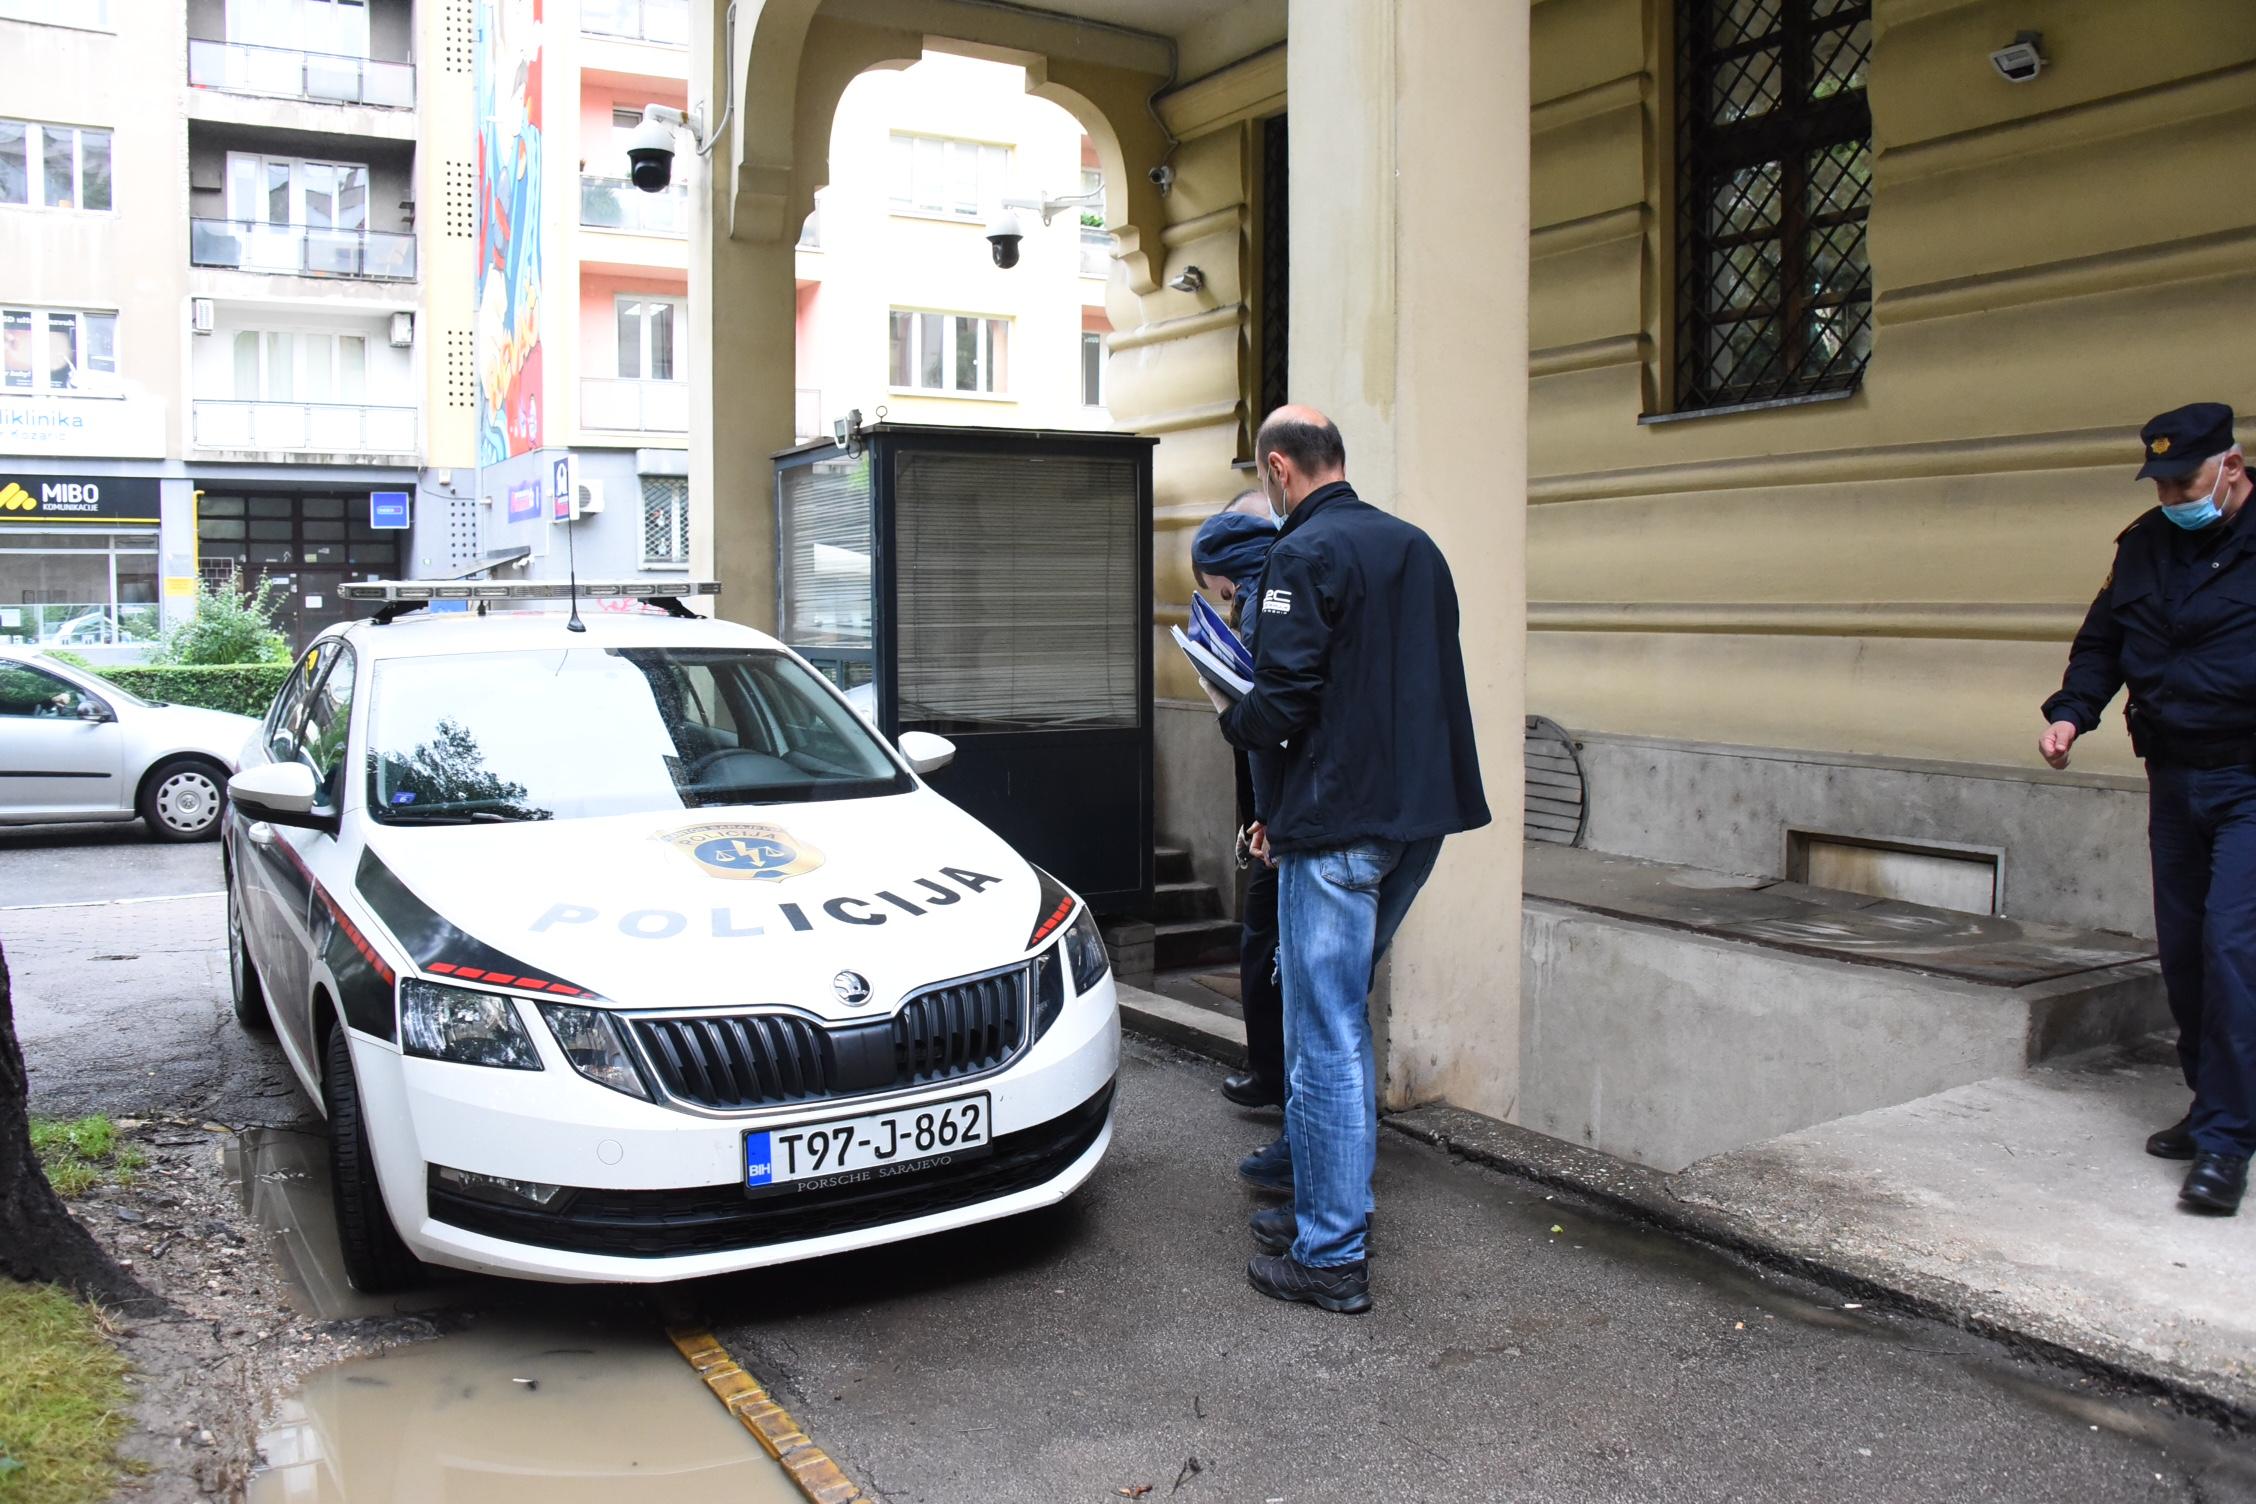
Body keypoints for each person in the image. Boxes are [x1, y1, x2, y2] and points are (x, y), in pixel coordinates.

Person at [1204, 404, 1489, 1313]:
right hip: (1418, 822)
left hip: (1339, 831)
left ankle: (1330, 1254)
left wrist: (1229, 708)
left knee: (1323, 1031)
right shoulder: (1418, 548)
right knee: (1342, 1018)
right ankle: (1333, 1206)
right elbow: (1391, 692)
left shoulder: (1299, 554)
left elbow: (1284, 700)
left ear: (1281, 471)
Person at [2042, 401, 2254, 1216]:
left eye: (2186, 480)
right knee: (2190, 956)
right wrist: (2071, 711)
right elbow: (2102, 643)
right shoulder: (2144, 546)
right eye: (2161, 483)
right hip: (2174, 778)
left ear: (2230, 466)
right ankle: (2213, 1106)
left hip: (2250, 782)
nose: (2173, 496)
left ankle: (2228, 1144)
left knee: (2236, 953)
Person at [1191, 491, 1286, 1111]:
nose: (1230, 604)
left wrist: (1268, 817)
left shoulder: (1266, 598)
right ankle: (1277, 1079)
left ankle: (1272, 1077)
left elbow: (1278, 720)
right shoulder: (1281, 583)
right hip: (1280, 814)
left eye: (1221, 592)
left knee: (1265, 945)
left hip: (1286, 820)